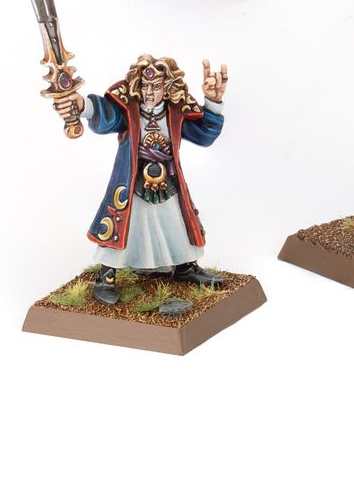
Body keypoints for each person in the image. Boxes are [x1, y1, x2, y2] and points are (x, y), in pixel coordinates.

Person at [53, 54, 228, 305]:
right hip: (132, 180)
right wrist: (80, 105)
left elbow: (204, 135)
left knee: (176, 221)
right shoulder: (129, 110)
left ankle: (185, 267)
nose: (149, 92)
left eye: (156, 86)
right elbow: (106, 116)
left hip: (167, 180)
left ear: (166, 88)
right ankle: (107, 277)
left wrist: (213, 102)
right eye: (145, 86)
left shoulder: (176, 112)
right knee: (121, 225)